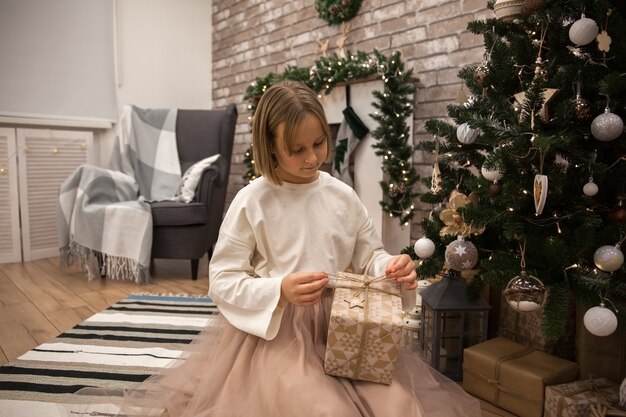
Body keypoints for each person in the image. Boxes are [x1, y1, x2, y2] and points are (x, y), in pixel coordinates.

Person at [116, 80, 482, 417]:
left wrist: (391, 267)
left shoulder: (342, 196)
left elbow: (369, 255)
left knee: (399, 406)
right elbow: (223, 278)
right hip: (280, 334)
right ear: (270, 147)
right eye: (297, 150)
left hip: (348, 327)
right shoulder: (252, 201)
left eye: (319, 144)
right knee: (322, 409)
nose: (312, 158)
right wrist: (279, 289)